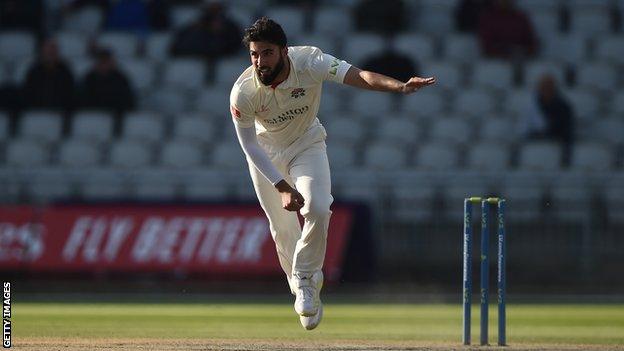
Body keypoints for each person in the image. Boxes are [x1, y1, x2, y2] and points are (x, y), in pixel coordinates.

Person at [229, 17, 435, 330]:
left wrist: (399, 86)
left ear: (284, 51)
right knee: (282, 228)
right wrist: (282, 186)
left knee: (318, 207)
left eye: (267, 53)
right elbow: (249, 146)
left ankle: (308, 280)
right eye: (255, 54)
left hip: (307, 144)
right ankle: (298, 288)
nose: (260, 61)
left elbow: (359, 76)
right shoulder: (243, 92)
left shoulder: (310, 61)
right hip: (266, 154)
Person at [519, 74, 574, 166]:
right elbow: (525, 129)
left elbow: (566, 130)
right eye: (543, 88)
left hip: (556, 144)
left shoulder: (563, 107)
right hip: (536, 142)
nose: (546, 90)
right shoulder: (532, 106)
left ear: (554, 89)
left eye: (549, 87)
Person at [78, 48, 135, 133]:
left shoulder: (120, 79)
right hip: (93, 117)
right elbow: (81, 100)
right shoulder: (89, 79)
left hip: (114, 118)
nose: (104, 64)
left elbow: (127, 101)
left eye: (106, 61)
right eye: (101, 61)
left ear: (111, 62)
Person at [21, 39, 75, 114]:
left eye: (53, 49)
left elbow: (70, 96)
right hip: (36, 111)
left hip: (60, 112)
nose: (51, 52)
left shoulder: (65, 72)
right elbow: (28, 95)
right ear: (42, 51)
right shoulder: (34, 72)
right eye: (48, 50)